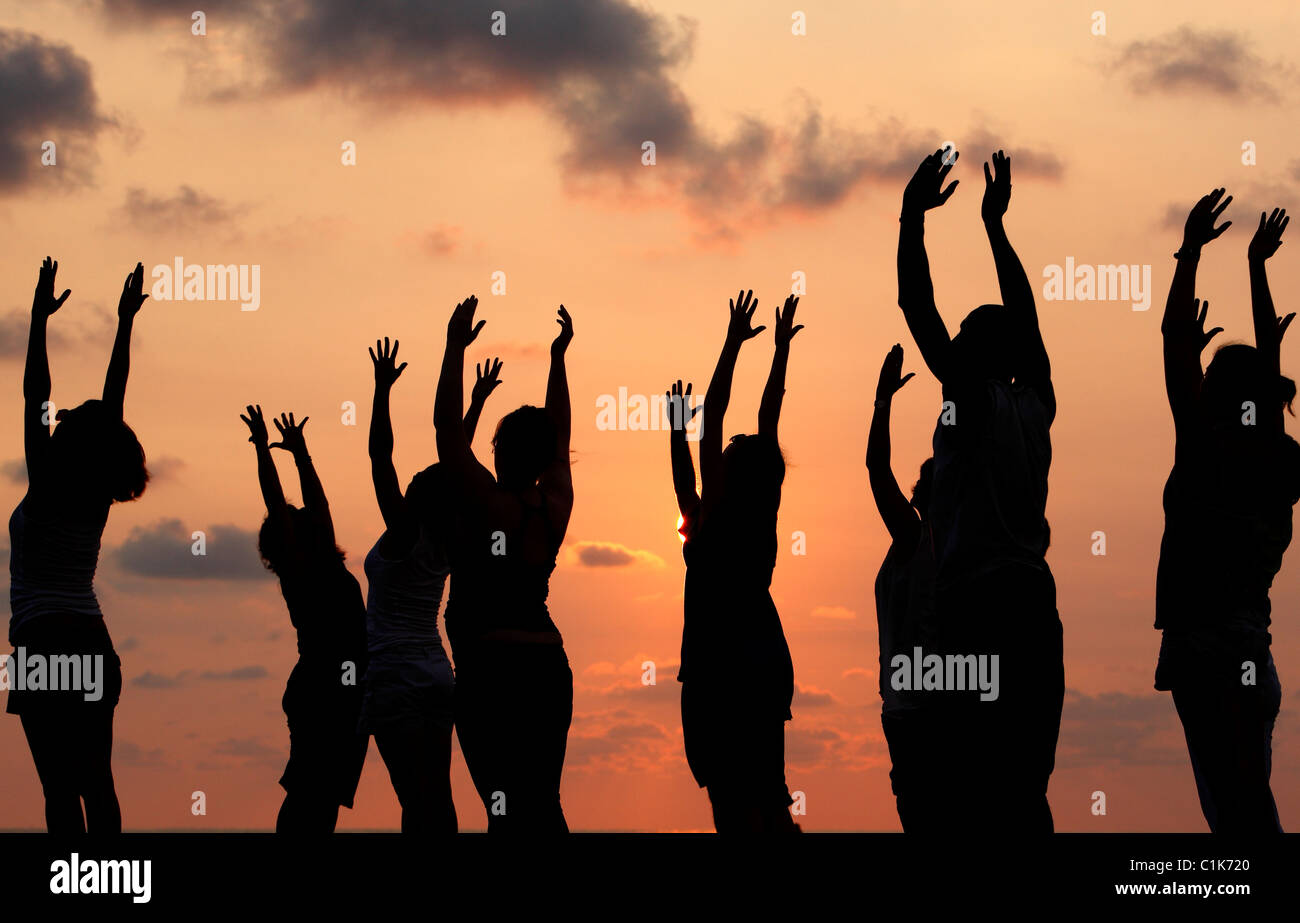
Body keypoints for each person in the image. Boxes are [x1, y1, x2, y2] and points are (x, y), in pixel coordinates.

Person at [896, 149, 1063, 831]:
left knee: (974, 793)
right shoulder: (1037, 402)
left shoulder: (974, 399)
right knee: (1024, 792)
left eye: (963, 336)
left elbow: (916, 305)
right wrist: (995, 228)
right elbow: (1027, 321)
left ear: (974, 353)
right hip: (1033, 600)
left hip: (981, 605)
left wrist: (912, 216)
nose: (953, 342)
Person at [1155, 192, 1298, 833]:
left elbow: (1170, 343)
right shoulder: (1276, 458)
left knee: (1237, 823)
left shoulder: (1205, 447)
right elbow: (1265, 383)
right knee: (1243, 813)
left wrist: (1190, 253)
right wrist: (1256, 269)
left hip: (1210, 655)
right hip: (1252, 658)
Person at [7, 258, 149, 833]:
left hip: (43, 643)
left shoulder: (44, 480)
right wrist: (123, 322)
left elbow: (34, 392)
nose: (61, 419)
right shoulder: (95, 495)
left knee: (60, 791)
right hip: (91, 639)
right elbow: (113, 404)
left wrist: (38, 320)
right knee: (98, 785)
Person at [433, 297, 575, 832]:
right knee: (544, 803)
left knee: (504, 810)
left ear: (497, 450)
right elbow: (560, 439)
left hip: (491, 673)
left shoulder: (487, 504)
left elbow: (447, 431)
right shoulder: (552, 507)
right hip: (546, 669)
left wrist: (454, 347)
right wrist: (558, 359)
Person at [669, 289, 804, 833]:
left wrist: (734, 344)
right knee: (763, 797)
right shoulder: (737, 520)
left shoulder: (719, 522)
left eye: (727, 454)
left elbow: (723, 417)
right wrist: (775, 350)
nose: (720, 453)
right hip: (746, 667)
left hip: (723, 673)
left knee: (739, 802)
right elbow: (752, 420)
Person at [361, 337, 501, 833]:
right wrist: (477, 404)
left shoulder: (405, 531)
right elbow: (453, 466)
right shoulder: (448, 538)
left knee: (414, 799)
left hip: (395, 675)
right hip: (437, 674)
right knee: (437, 795)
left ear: (417, 496)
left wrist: (381, 391)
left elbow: (381, 460)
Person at [240, 406, 368, 832]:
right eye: (295, 524)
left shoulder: (325, 563)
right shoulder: (301, 572)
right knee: (308, 796)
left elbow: (319, 503)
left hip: (345, 690)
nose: (309, 519)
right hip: (323, 688)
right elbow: (277, 503)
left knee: (325, 799)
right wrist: (263, 450)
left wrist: (301, 453)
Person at [865, 344, 938, 831]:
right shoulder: (925, 540)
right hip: (911, 706)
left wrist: (882, 402)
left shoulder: (919, 537)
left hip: (920, 710)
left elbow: (875, 468)